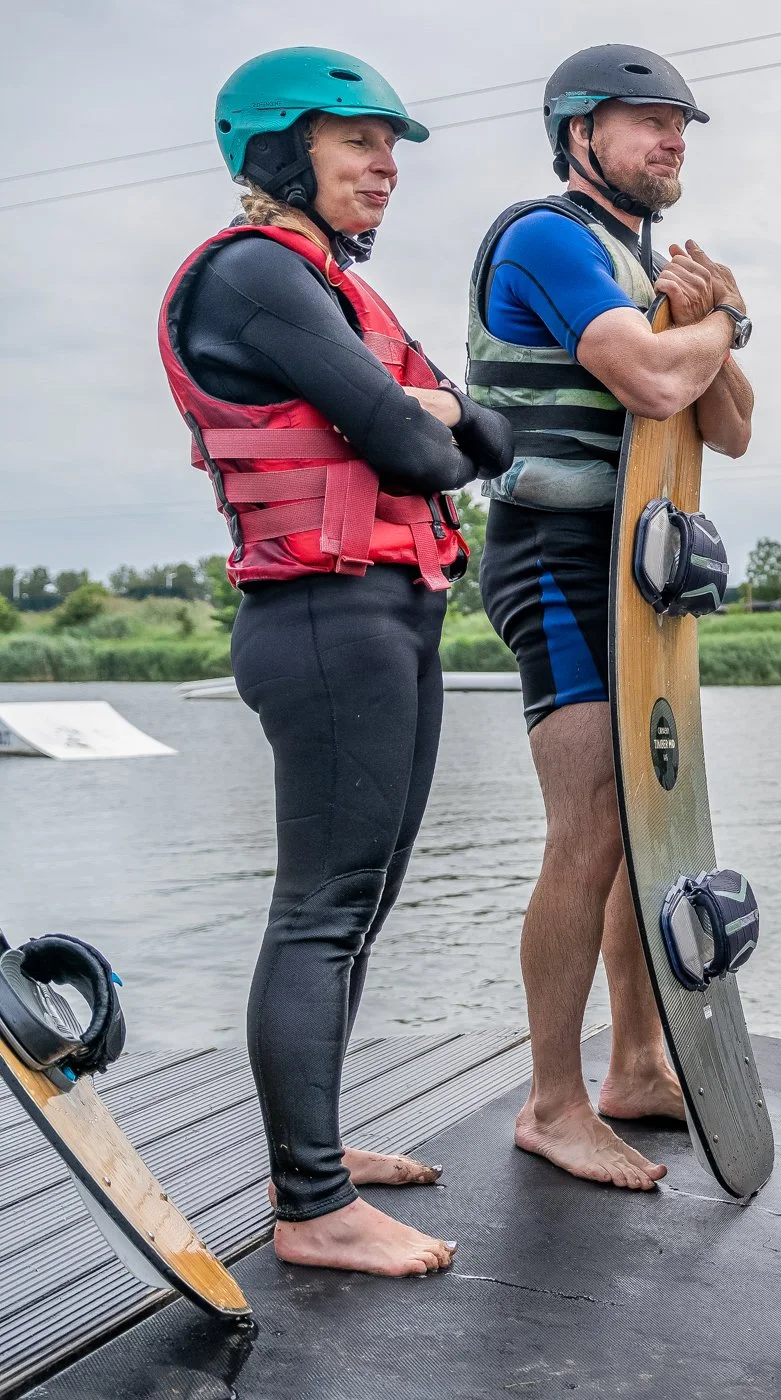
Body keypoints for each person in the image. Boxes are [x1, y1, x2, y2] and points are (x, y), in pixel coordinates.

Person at [160, 48, 513, 1275]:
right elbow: (420, 452)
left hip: (390, 613)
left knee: (358, 905)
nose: (386, 164)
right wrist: (429, 414)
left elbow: (489, 435)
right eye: (358, 139)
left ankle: (312, 1149)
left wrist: (435, 414)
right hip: (323, 620)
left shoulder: (332, 287)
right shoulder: (255, 271)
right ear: (276, 150)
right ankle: (310, 1204)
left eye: (396, 145)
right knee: (321, 910)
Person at [465, 44, 755, 1190]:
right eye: (646, 122)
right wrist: (723, 315)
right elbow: (649, 379)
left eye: (680, 125)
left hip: (642, 570)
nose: (672, 141)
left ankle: (640, 1059)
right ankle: (552, 1098)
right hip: (554, 553)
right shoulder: (542, 235)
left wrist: (714, 322)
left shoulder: (646, 263)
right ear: (578, 134)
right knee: (588, 826)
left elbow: (727, 424)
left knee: (651, 824)